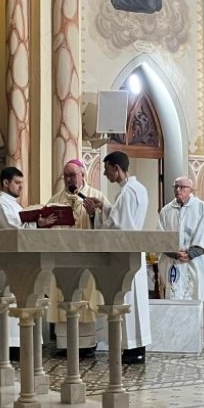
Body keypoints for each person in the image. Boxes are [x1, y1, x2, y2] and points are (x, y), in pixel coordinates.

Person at [85, 151, 151, 364]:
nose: (105, 174)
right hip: (134, 251)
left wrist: (95, 215)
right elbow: (124, 217)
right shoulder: (137, 189)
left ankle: (132, 349)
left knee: (128, 303)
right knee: (134, 302)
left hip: (124, 254)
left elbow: (118, 227)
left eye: (106, 169)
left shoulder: (126, 192)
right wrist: (103, 207)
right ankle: (135, 347)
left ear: (116, 168)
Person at [47, 159, 110, 356]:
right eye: (66, 175)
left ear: (83, 175)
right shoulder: (55, 200)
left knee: (85, 297)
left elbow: (108, 227)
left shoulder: (97, 197)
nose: (68, 179)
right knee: (63, 298)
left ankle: (87, 344)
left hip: (87, 261)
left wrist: (93, 216)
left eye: (72, 175)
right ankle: (65, 345)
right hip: (63, 260)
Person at [157, 177, 204, 326]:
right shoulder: (166, 210)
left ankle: (194, 328)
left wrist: (191, 253)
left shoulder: (202, 208)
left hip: (195, 262)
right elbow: (160, 236)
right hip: (174, 261)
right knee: (174, 294)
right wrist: (174, 253)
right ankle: (174, 328)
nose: (178, 190)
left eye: (182, 187)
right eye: (176, 186)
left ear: (190, 190)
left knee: (195, 293)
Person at [0, 166, 58, 230]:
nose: (21, 187)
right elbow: (15, 230)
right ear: (6, 183)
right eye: (17, 183)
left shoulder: (13, 204)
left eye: (22, 183)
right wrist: (38, 224)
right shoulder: (0, 204)